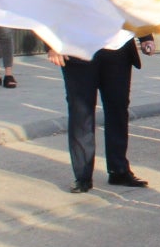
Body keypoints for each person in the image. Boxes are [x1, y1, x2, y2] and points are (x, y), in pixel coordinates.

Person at [51, 35, 148, 193]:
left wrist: (146, 36)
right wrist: (51, 44)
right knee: (81, 113)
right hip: (79, 50)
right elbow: (51, 10)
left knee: (118, 110)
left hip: (118, 49)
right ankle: (83, 177)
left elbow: (133, 9)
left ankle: (119, 171)